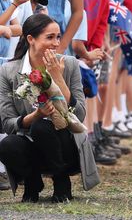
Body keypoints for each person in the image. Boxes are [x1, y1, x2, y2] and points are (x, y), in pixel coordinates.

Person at [0, 13, 100, 203]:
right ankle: (32, 183)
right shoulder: (8, 71)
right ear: (31, 39)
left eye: (58, 37)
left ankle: (61, 181)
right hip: (31, 143)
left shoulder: (69, 63)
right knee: (8, 144)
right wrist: (36, 115)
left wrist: (58, 79)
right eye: (50, 37)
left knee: (43, 127)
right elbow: (7, 123)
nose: (56, 43)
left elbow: (79, 115)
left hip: (65, 144)